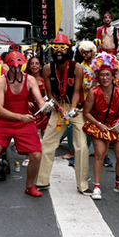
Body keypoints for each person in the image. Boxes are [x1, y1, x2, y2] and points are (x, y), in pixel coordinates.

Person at [0, 48, 47, 204]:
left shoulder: (30, 80)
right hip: (5, 122)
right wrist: (20, 116)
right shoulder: (0, 81)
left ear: (23, 65)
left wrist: (49, 107)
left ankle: (29, 186)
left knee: (36, 155)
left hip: (24, 122)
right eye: (12, 65)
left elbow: (40, 101)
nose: (15, 68)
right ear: (6, 65)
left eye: (18, 65)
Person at [36, 34, 90, 194]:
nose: (59, 51)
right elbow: (50, 93)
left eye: (63, 47)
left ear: (69, 50)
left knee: (81, 146)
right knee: (47, 144)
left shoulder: (77, 67)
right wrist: (60, 109)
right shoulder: (47, 68)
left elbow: (77, 90)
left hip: (75, 109)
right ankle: (42, 181)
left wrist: (72, 109)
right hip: (57, 108)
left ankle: (83, 185)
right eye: (56, 47)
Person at [82, 53, 119, 200]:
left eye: (108, 75)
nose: (105, 78)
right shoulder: (93, 92)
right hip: (99, 125)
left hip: (116, 126)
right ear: (97, 77)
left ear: (113, 77)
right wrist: (99, 124)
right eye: (102, 75)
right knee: (99, 154)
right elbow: (86, 113)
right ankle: (97, 187)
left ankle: (118, 184)